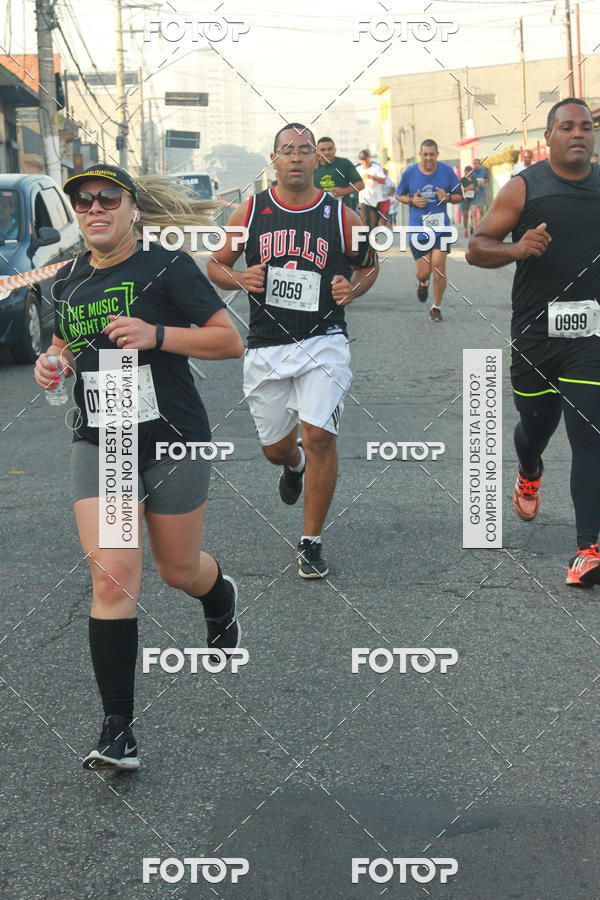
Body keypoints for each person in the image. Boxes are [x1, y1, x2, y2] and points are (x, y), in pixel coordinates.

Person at [33, 164, 245, 771]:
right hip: (102, 440)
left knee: (180, 569)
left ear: (131, 209)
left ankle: (217, 592)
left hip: (172, 437)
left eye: (107, 199)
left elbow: (227, 340)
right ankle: (117, 730)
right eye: (83, 202)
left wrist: (157, 334)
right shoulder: (65, 279)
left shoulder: (167, 267)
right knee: (114, 578)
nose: (94, 209)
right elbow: (62, 347)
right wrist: (54, 365)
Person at [207, 123, 379, 578]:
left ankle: (310, 542)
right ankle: (293, 464)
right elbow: (216, 264)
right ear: (274, 159)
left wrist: (351, 288)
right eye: (288, 150)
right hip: (267, 345)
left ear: (316, 161)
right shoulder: (251, 211)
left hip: (325, 340)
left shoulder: (342, 216)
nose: (298, 157)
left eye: (305, 150)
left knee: (319, 436)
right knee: (276, 449)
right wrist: (240, 278)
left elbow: (369, 266)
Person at [466, 98, 600, 586]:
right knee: (535, 428)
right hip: (536, 334)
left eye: (586, 127)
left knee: (590, 438)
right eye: (567, 127)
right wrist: (518, 249)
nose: (579, 134)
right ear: (550, 137)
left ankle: (588, 550)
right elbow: (476, 247)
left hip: (591, 335)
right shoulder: (525, 187)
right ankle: (528, 464)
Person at [396, 139, 462, 322]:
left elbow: (459, 196)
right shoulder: (409, 172)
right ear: (420, 155)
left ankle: (436, 307)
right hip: (418, 231)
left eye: (432, 154)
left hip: (442, 230)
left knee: (438, 268)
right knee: (424, 272)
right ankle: (423, 282)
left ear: (437, 155)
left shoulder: (447, 171)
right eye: (425, 154)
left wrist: (447, 197)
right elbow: (398, 194)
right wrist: (411, 201)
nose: (428, 158)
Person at [313, 136, 364, 211]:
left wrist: (344, 191)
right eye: (323, 150)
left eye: (330, 149)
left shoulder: (344, 163)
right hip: (319, 209)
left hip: (343, 209)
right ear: (317, 152)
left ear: (335, 150)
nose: (326, 152)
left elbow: (360, 185)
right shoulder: (312, 166)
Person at [355, 149, 387, 236]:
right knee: (365, 222)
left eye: (366, 159)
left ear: (369, 158)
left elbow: (384, 181)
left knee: (374, 223)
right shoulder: (358, 169)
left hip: (375, 199)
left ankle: (373, 241)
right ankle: (367, 243)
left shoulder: (376, 168)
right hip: (364, 199)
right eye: (362, 160)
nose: (365, 162)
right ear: (360, 160)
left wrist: (372, 177)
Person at [470, 157, 489, 228]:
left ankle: (481, 226)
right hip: (473, 194)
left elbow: (487, 179)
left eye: (478, 163)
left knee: (481, 210)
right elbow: (468, 181)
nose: (476, 165)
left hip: (481, 193)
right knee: (473, 212)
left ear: (480, 164)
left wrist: (483, 181)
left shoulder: (484, 171)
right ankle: (472, 225)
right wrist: (474, 185)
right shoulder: (471, 172)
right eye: (475, 164)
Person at [459, 165, 478, 237]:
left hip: (473, 198)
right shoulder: (462, 180)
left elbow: (476, 187)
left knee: (474, 214)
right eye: (466, 172)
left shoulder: (474, 180)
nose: (467, 173)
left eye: (469, 172)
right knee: (465, 216)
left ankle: (474, 230)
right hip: (464, 199)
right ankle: (465, 229)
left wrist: (476, 188)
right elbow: (460, 190)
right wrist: (468, 188)